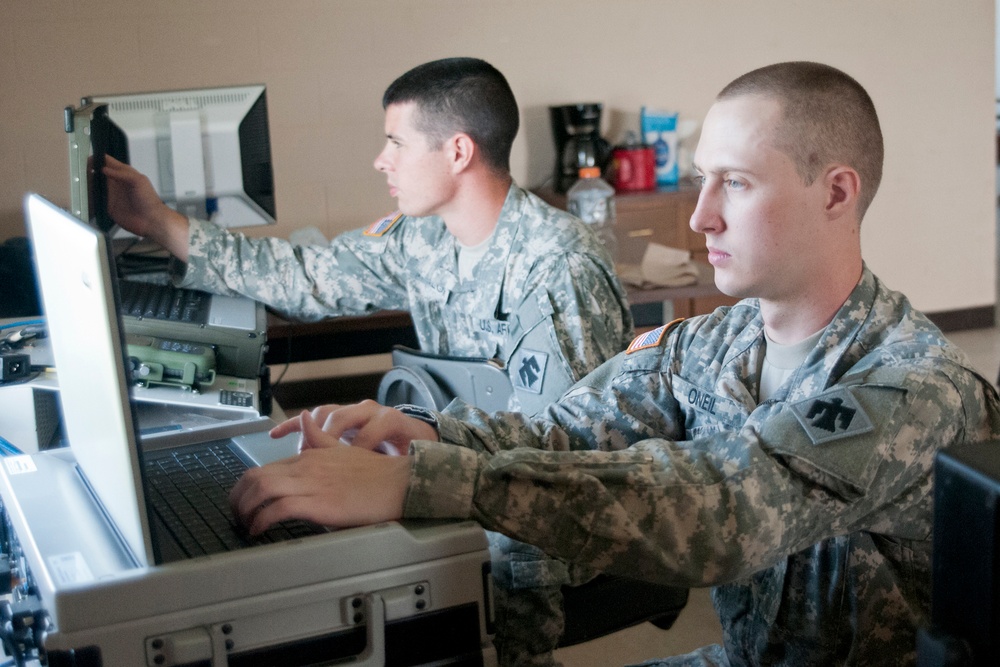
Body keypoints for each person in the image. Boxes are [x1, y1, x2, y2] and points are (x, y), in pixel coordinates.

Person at [228, 60, 1000, 666]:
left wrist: (423, 480)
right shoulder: (718, 340)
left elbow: (722, 511)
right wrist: (421, 434)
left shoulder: (915, 387)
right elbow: (575, 425)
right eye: (704, 179)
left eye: (736, 182)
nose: (702, 215)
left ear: (836, 192)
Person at [105, 57, 633, 666]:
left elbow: (556, 468)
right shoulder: (423, 236)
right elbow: (309, 277)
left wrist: (509, 646)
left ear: (457, 151)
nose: (382, 161)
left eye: (396, 143)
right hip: (463, 476)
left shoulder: (555, 268)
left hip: (541, 526)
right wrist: (158, 222)